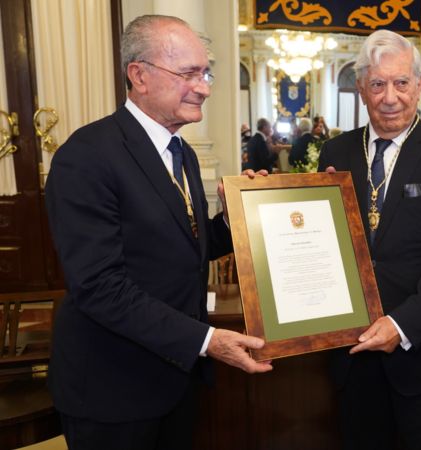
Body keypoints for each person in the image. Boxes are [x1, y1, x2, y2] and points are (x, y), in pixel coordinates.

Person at [44, 15, 272, 450]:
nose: (204, 87)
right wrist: (206, 340)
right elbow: (99, 287)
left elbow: (184, 248)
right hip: (113, 389)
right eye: (188, 74)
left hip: (175, 378)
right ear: (139, 75)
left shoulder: (180, 151)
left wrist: (237, 218)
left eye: (205, 73)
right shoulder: (87, 156)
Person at [318, 29, 421, 450]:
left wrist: (402, 323)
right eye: (377, 84)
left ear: (419, 85)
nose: (390, 97)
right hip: (352, 352)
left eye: (401, 83)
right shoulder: (335, 153)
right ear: (361, 90)